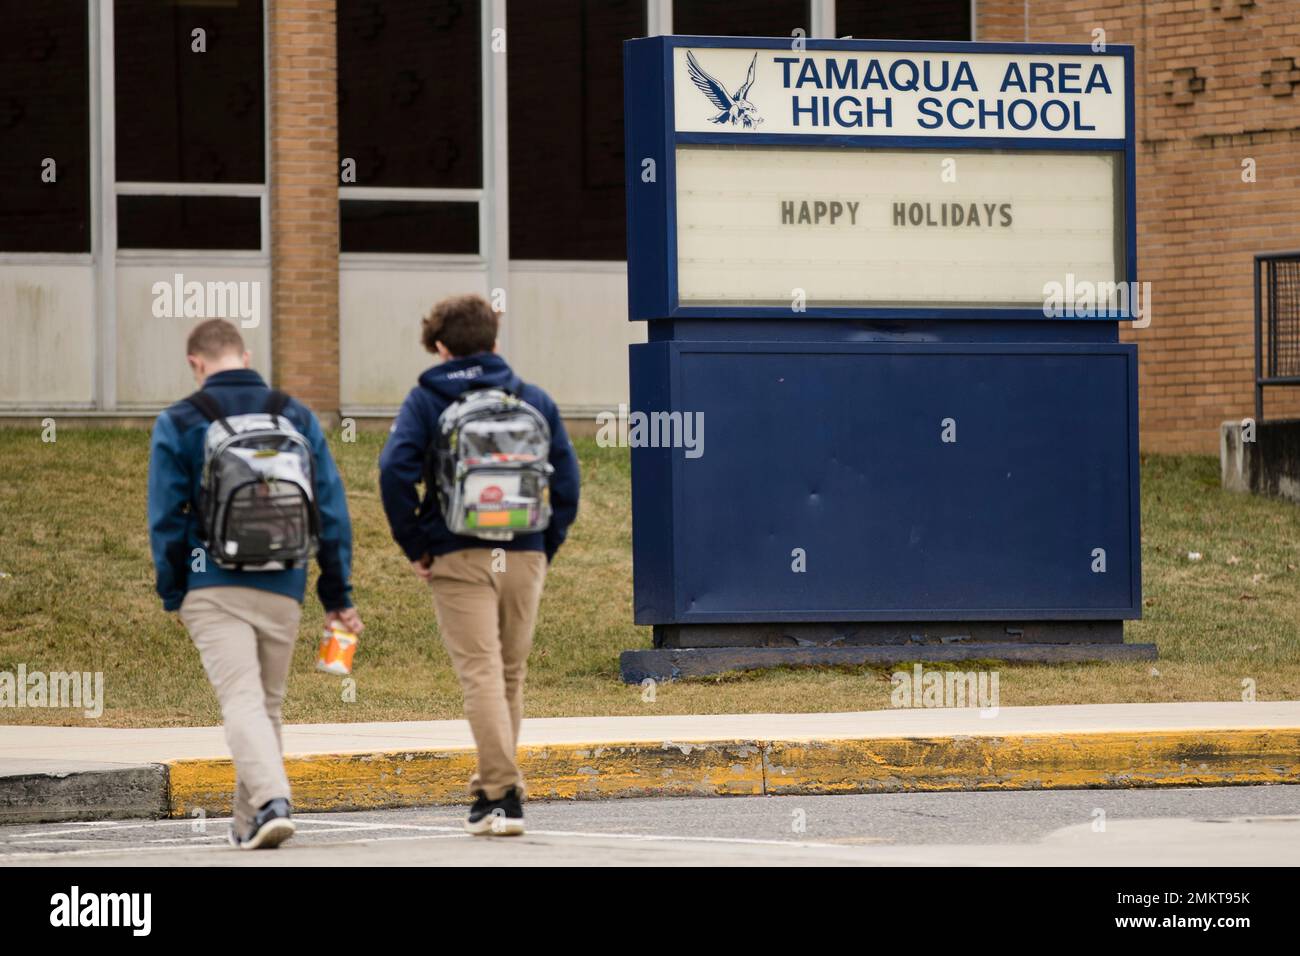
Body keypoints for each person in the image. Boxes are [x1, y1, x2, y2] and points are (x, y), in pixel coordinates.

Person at [147, 318, 361, 849]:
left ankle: (271, 801)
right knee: (264, 705)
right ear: (245, 355)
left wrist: (176, 589)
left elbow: (167, 518)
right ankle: (250, 825)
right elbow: (331, 513)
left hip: (211, 581)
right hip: (284, 580)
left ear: (196, 363)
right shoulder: (295, 415)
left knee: (242, 699)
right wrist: (337, 596)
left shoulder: (180, 421)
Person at [378, 294, 579, 835]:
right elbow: (568, 483)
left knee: (481, 674)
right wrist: (542, 545)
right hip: (524, 550)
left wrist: (417, 544)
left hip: (457, 550)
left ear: (441, 347)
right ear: (495, 341)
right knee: (508, 674)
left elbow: (394, 472)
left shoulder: (426, 400)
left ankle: (499, 795)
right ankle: (499, 790)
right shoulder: (533, 397)